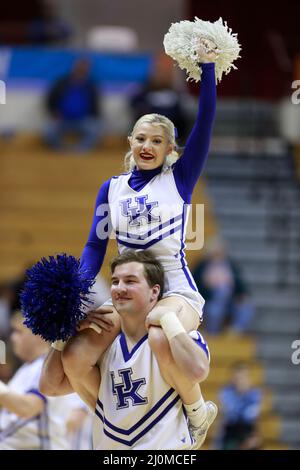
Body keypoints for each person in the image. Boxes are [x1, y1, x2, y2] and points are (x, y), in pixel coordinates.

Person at [62, 38, 219, 440]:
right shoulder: (110, 188)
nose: (147, 146)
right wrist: (77, 293)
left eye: (157, 141)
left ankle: (197, 410)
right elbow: (95, 245)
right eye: (141, 138)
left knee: (159, 330)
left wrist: (207, 70)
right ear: (130, 142)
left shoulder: (179, 179)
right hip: (129, 290)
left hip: (173, 291)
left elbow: (204, 124)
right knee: (76, 357)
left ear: (169, 150)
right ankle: (111, 419)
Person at [40, 250, 217, 450]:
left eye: (130, 281)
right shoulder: (100, 352)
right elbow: (49, 387)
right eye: (115, 281)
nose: (119, 288)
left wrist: (168, 318)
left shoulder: (173, 341)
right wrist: (66, 331)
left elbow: (199, 370)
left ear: (154, 292)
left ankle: (198, 417)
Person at [0, 311, 91, 450]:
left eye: (19, 332)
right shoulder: (24, 369)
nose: (12, 338)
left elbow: (28, 408)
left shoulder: (46, 368)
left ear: (38, 334)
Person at [192, 239, 255, 335]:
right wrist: (208, 286)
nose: (218, 255)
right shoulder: (201, 267)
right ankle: (213, 335)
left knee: (246, 307)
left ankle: (235, 332)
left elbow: (240, 285)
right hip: (209, 301)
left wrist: (241, 295)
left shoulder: (230, 265)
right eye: (215, 253)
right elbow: (194, 288)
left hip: (230, 301)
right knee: (215, 310)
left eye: (220, 252)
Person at [44, 57, 101, 153]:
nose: (82, 70)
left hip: (82, 120)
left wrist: (93, 116)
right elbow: (50, 100)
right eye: (80, 67)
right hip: (62, 119)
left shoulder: (91, 86)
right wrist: (54, 112)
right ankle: (61, 150)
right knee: (48, 130)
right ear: (74, 67)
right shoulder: (61, 82)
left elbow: (96, 106)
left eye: (85, 67)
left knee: (95, 129)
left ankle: (79, 151)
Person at [215, 362, 262, 450]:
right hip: (230, 432)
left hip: (248, 431)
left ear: (248, 378)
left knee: (254, 442)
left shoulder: (254, 393)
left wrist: (244, 394)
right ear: (232, 378)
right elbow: (230, 415)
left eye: (243, 377)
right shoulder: (226, 392)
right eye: (238, 377)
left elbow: (251, 415)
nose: (240, 380)